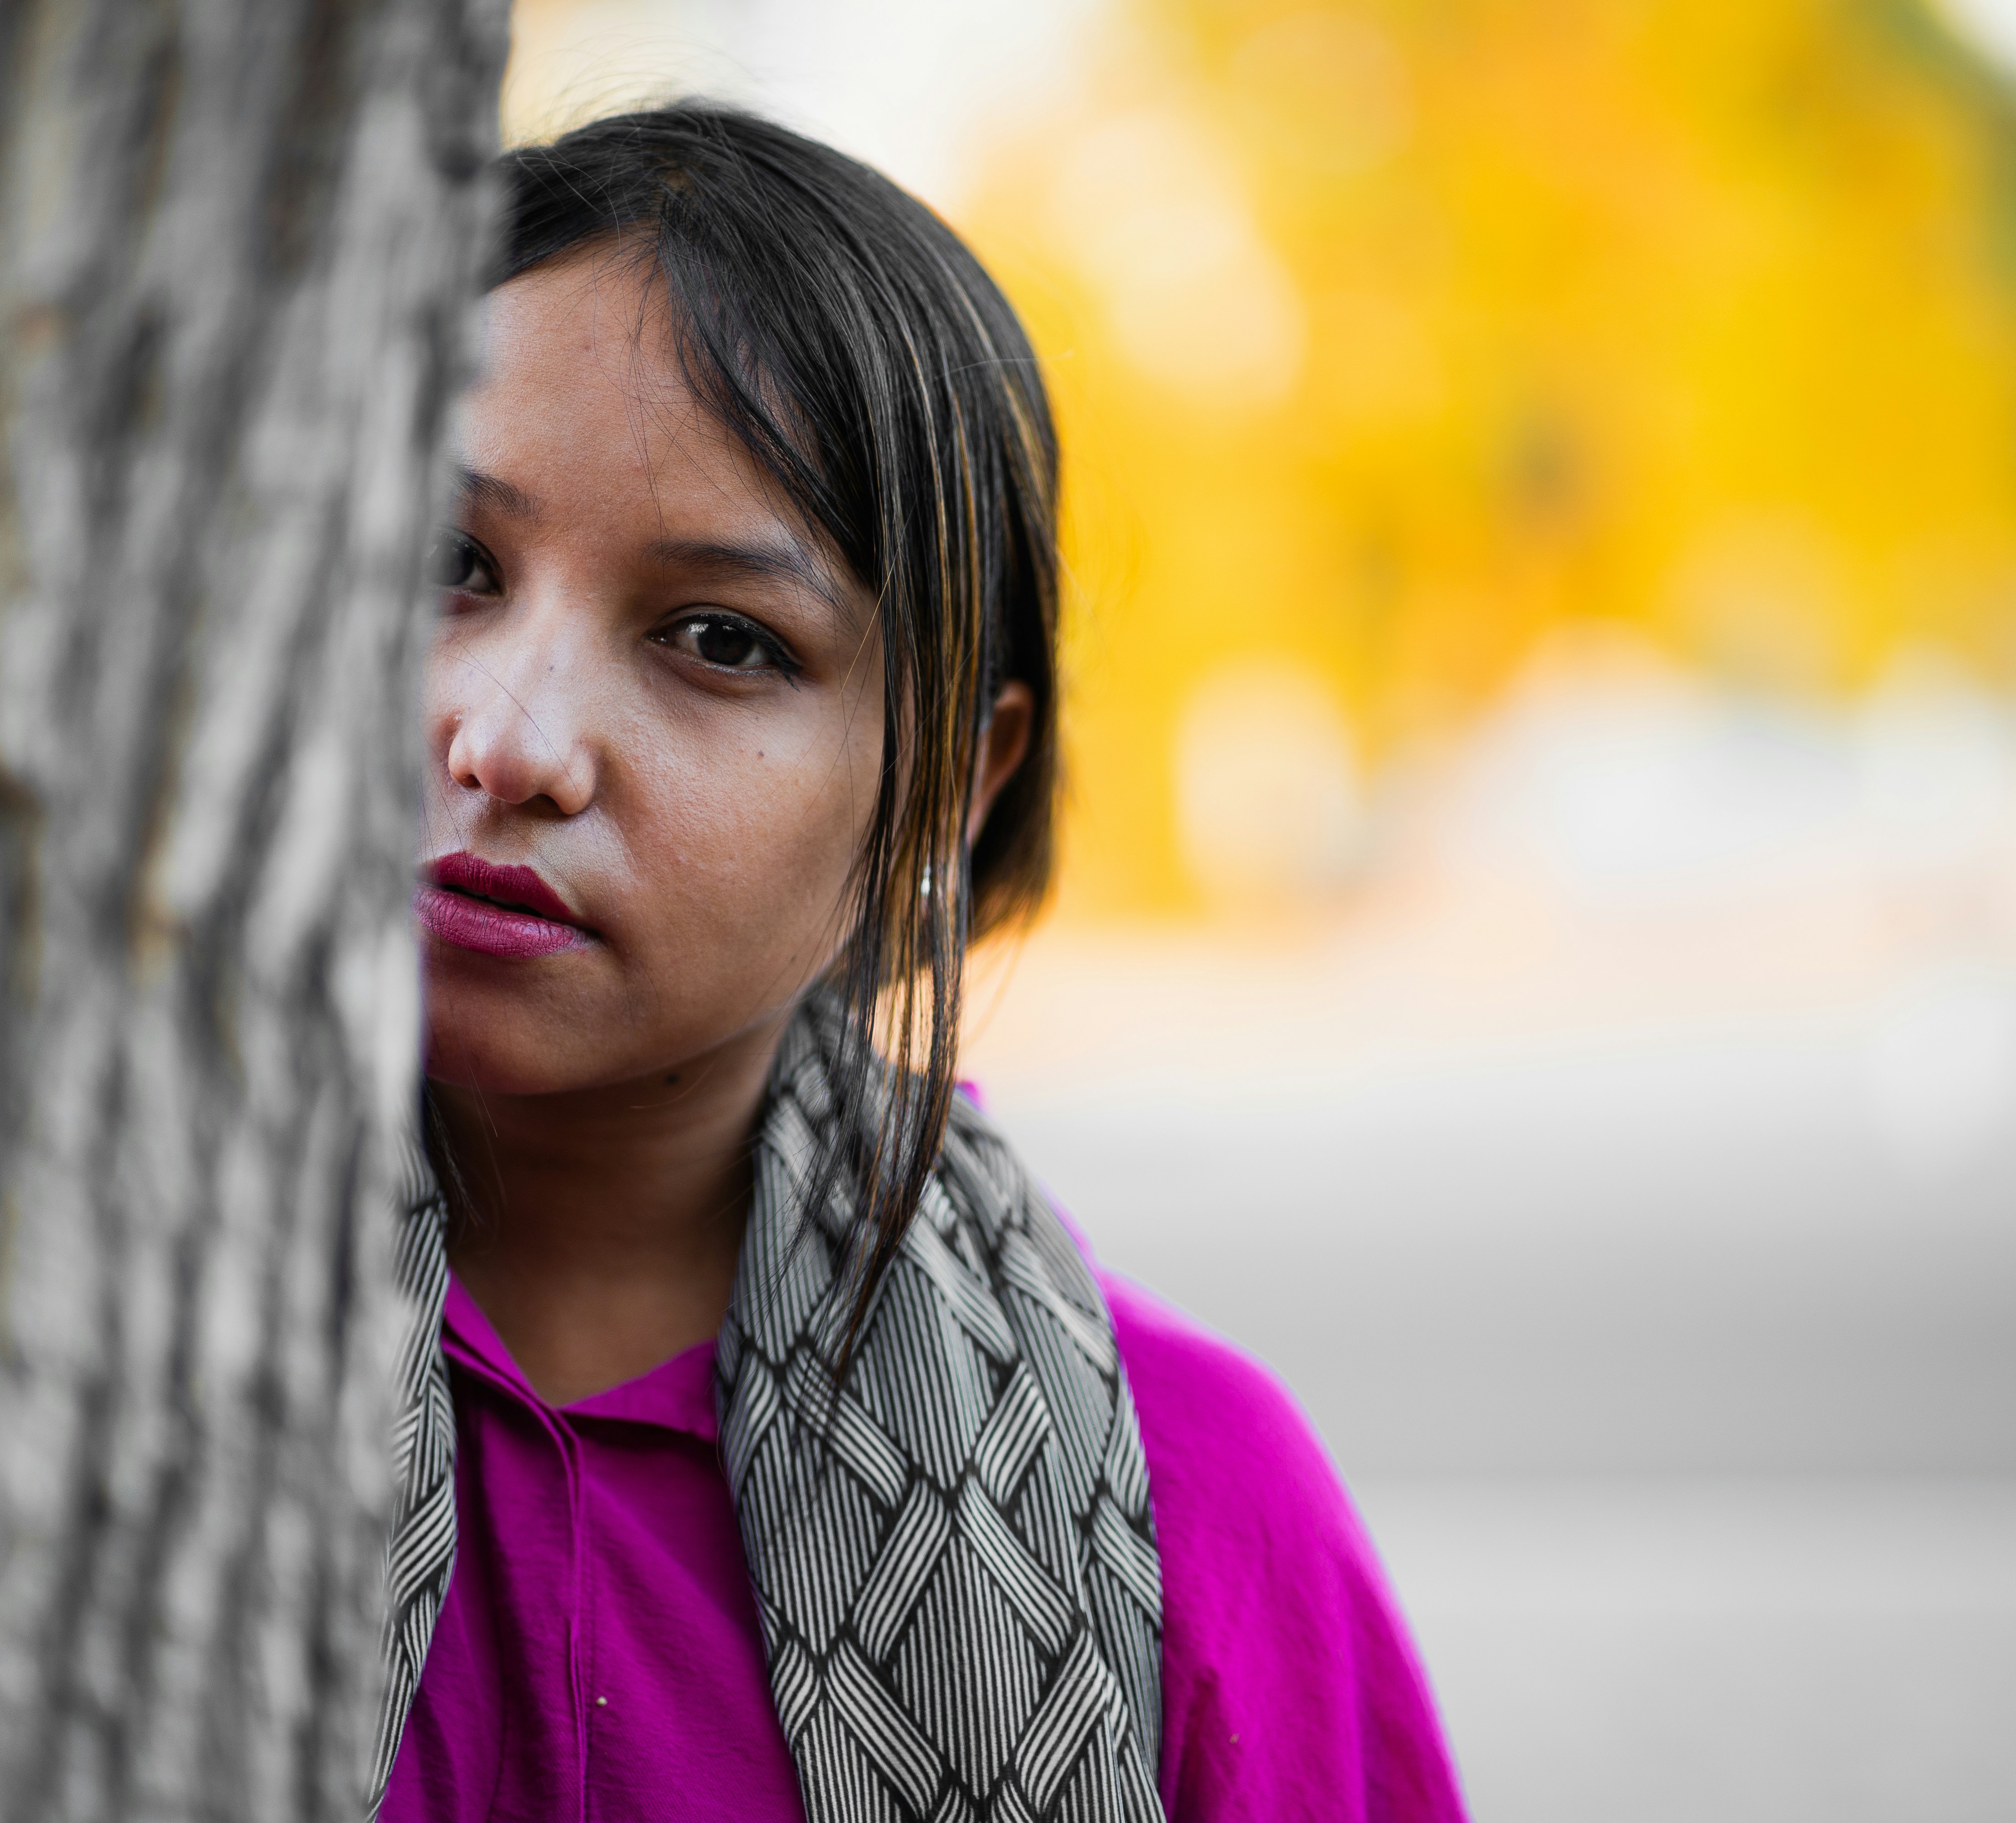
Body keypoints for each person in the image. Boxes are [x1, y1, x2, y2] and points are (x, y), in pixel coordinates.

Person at [372, 104, 1463, 1823]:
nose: (509, 742)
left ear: (952, 780)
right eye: (447, 565)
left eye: (720, 639)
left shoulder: (1197, 1517)